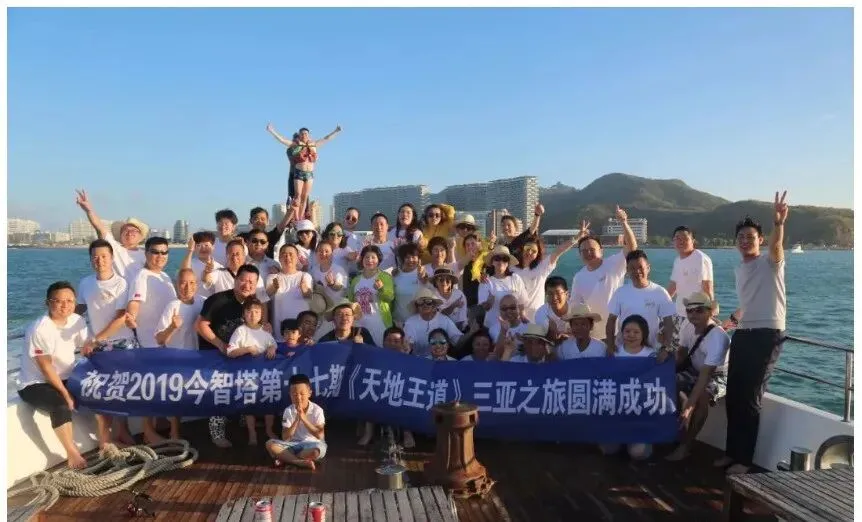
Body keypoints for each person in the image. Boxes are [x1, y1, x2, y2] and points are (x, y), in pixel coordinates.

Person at [718, 192, 789, 476]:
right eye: (741, 237)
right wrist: (730, 321)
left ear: (761, 240)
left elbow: (777, 246)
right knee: (734, 394)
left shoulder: (770, 262)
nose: (745, 240)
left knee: (749, 397)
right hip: (744, 332)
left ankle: (744, 460)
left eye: (751, 236)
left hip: (767, 335)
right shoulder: (741, 268)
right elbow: (748, 302)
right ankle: (731, 452)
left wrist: (778, 224)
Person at [16, 281, 109, 468]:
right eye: (58, 301)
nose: (65, 305)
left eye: (69, 301)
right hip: (35, 383)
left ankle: (105, 443)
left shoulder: (77, 321)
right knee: (60, 406)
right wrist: (66, 394)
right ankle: (72, 453)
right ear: (47, 303)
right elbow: (46, 368)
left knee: (100, 393)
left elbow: (86, 346)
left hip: (66, 376)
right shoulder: (39, 329)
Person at [196, 264, 265, 448]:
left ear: (256, 284)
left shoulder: (253, 303)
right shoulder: (218, 300)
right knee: (219, 393)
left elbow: (258, 325)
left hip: (240, 356)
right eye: (243, 280)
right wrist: (220, 344)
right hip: (215, 355)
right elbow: (200, 325)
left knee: (242, 387)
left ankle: (242, 419)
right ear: (235, 279)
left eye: (251, 282)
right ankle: (217, 432)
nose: (247, 285)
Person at [666, 292, 729, 462]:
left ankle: (685, 446)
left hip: (717, 375)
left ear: (710, 312)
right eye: (690, 310)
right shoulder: (687, 327)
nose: (693, 314)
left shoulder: (718, 337)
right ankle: (671, 431)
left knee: (702, 397)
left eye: (699, 310)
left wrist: (689, 407)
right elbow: (681, 355)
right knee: (667, 383)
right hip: (695, 369)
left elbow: (706, 376)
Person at [571, 206, 637, 339]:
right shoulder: (579, 277)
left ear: (601, 251)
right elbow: (575, 306)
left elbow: (632, 248)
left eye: (592, 249)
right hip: (593, 335)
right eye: (584, 251)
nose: (588, 253)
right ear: (580, 255)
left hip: (618, 332)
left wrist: (624, 222)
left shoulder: (614, 264)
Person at [601, 314, 656, 460]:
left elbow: (654, 384)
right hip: (617, 408)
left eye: (636, 332)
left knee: (638, 453)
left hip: (640, 409)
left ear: (644, 334)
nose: (631, 335)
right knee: (608, 449)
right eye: (627, 331)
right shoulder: (614, 352)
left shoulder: (651, 354)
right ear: (622, 333)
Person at [225, 298, 279, 445]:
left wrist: (272, 348)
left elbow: (274, 345)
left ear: (261, 314)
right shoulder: (240, 331)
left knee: (269, 403)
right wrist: (247, 349)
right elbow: (230, 352)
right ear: (244, 314)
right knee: (249, 405)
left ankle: (269, 430)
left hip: (265, 376)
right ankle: (252, 432)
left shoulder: (265, 330)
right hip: (247, 376)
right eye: (249, 311)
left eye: (256, 312)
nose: (253, 315)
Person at [266, 122, 343, 222]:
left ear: (309, 135)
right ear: (299, 135)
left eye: (306, 133)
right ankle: (296, 217)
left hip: (309, 174)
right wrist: (271, 131)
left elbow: (326, 138)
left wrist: (336, 131)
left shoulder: (313, 144)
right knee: (297, 196)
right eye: (302, 134)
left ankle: (300, 217)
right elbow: (282, 140)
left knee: (305, 197)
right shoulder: (295, 144)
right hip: (299, 173)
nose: (304, 135)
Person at [605, 250, 676, 355]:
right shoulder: (620, 292)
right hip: (623, 351)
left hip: (651, 351)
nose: (637, 271)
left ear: (648, 268)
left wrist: (665, 348)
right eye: (632, 268)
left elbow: (669, 323)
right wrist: (610, 345)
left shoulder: (660, 292)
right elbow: (611, 321)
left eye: (640, 267)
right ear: (627, 270)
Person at [75, 190, 148, 280]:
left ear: (140, 237)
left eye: (134, 230)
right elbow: (100, 228)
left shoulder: (147, 254)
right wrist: (89, 210)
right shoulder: (114, 248)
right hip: (117, 288)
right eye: (126, 230)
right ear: (120, 235)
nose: (130, 232)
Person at [265, 373, 327, 471]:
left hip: (312, 444)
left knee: (316, 452)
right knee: (270, 444)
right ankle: (300, 462)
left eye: (302, 394)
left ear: (309, 393)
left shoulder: (317, 410)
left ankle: (285, 458)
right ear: (290, 395)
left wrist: (304, 418)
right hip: (293, 445)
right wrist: (297, 419)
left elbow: (320, 435)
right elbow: (285, 437)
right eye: (294, 394)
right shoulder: (288, 410)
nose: (298, 398)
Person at [667, 226, 715, 347]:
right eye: (677, 238)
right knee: (678, 348)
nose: (681, 241)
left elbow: (707, 287)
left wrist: (709, 314)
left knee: (693, 350)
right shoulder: (677, 260)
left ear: (693, 240)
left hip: (696, 316)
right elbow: (673, 286)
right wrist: (661, 304)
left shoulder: (700, 258)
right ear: (673, 241)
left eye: (685, 238)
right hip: (679, 313)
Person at [348, 245, 395, 345]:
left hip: (379, 325)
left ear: (379, 260)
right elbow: (350, 301)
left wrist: (381, 289)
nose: (369, 260)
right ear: (362, 259)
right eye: (366, 257)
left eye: (373, 257)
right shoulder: (356, 280)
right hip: (359, 325)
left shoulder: (385, 277)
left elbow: (390, 298)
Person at [266, 244, 313, 342]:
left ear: (297, 257)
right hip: (280, 333)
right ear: (279, 258)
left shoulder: (305, 276)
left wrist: (305, 290)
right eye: (284, 254)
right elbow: (267, 294)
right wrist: (274, 288)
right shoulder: (272, 277)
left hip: (300, 333)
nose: (287, 257)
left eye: (291, 254)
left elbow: (309, 295)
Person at [402, 287, 463, 358]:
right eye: (420, 302)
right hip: (419, 360)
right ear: (417, 306)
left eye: (428, 302)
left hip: (440, 359)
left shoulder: (444, 320)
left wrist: (472, 331)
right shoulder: (410, 322)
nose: (425, 305)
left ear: (434, 305)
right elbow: (408, 344)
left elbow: (458, 340)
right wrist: (407, 347)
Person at [479, 245, 527, 333]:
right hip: (492, 327)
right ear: (492, 262)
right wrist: (489, 301)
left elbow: (521, 303)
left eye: (505, 259)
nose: (501, 261)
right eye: (497, 258)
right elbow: (485, 307)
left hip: (514, 327)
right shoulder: (485, 281)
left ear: (508, 263)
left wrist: (523, 318)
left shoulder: (515, 278)